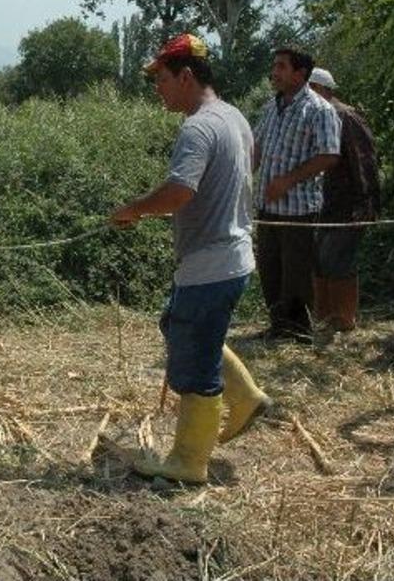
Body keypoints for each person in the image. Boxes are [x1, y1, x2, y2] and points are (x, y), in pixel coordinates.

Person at [109, 33, 271, 484]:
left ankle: (188, 462)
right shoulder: (234, 117)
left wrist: (133, 209)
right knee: (177, 325)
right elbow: (248, 164)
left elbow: (180, 191)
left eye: (160, 78)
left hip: (210, 263)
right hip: (234, 255)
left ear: (185, 76)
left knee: (195, 359)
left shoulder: (197, 127)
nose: (157, 87)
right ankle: (246, 397)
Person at [253, 49, 341, 341]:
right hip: (267, 206)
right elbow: (257, 149)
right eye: (273, 66)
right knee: (269, 268)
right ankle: (278, 326)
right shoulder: (270, 108)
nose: (274, 72)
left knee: (297, 272)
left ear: (300, 74)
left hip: (299, 208)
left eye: (281, 67)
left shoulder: (319, 109)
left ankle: (300, 332)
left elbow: (329, 155)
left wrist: (288, 180)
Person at [307, 67, 381, 332]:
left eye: (311, 89)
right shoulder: (314, 116)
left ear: (323, 90)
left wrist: (365, 203)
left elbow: (364, 161)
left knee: (337, 261)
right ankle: (324, 318)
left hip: (348, 204)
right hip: (322, 204)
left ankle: (344, 321)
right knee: (319, 260)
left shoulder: (345, 116)